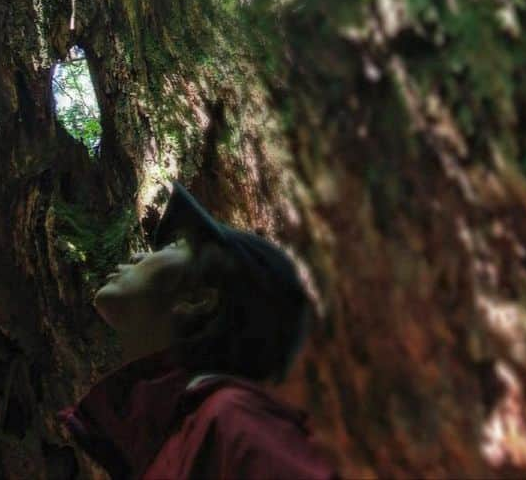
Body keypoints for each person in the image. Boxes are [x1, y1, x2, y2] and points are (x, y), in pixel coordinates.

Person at [58, 182, 339, 479]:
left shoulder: (230, 418)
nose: (138, 257)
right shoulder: (177, 435)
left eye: (171, 247)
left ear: (198, 299)